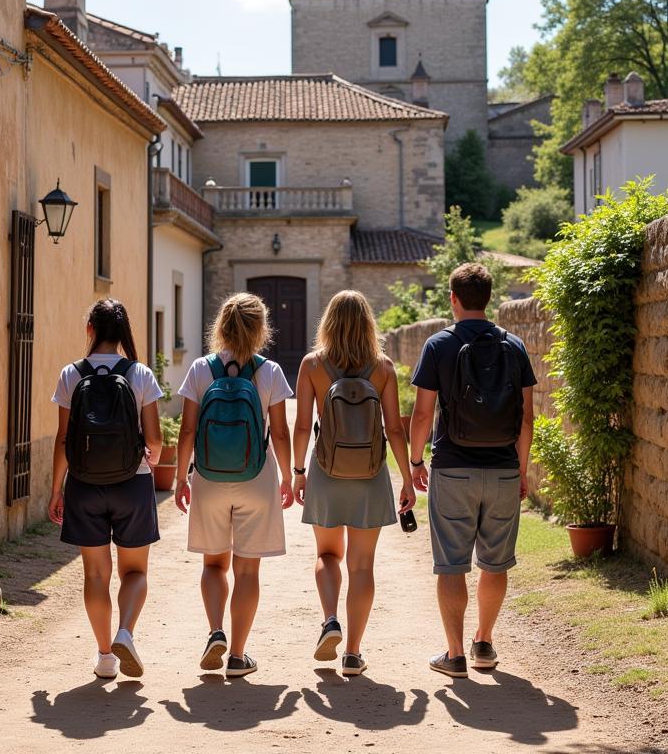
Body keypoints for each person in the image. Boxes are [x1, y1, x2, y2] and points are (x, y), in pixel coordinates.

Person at [409, 263, 536, 679]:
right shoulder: (514, 346)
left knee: (451, 565)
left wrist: (415, 461)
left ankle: (454, 655)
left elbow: (423, 413)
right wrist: (520, 469)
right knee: (495, 563)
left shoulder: (438, 345)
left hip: (453, 468)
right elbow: (527, 418)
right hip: (501, 468)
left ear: (454, 299)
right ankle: (484, 643)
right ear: (490, 298)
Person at [293, 290, 416, 677]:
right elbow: (394, 428)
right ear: (368, 323)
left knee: (327, 555)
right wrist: (408, 479)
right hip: (370, 474)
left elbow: (300, 426)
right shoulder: (382, 367)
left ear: (327, 322)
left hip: (326, 473)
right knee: (362, 565)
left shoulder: (312, 364)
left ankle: (330, 619)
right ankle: (352, 653)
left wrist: (298, 472)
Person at [175, 292, 294, 678]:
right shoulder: (270, 372)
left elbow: (188, 428)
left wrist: (180, 477)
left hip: (208, 477)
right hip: (256, 477)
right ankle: (239, 656)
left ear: (221, 326)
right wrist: (288, 475)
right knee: (247, 572)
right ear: (261, 329)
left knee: (213, 564)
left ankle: (215, 632)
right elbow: (279, 431)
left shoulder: (199, 369)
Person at [48, 299, 164, 680]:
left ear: (90, 329)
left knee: (96, 575)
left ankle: (103, 658)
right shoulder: (140, 374)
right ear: (124, 333)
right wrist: (150, 463)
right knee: (135, 572)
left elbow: (64, 439)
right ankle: (126, 633)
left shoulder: (72, 373)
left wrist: (56, 490)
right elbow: (156, 441)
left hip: (83, 485)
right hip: (133, 482)